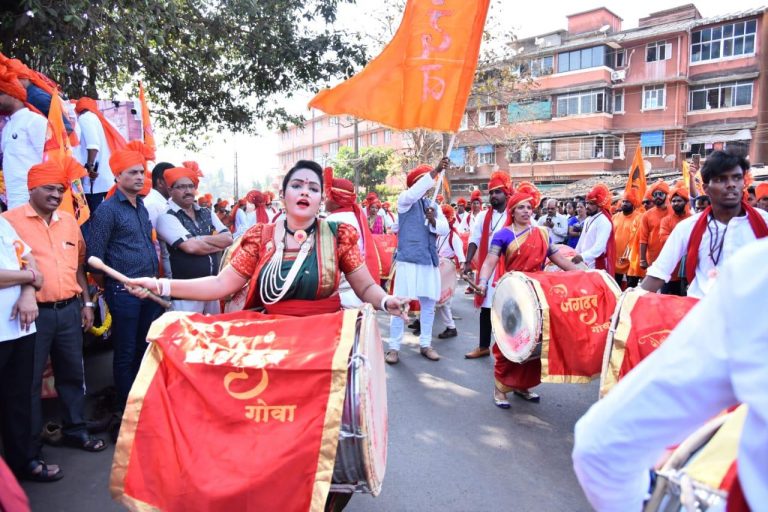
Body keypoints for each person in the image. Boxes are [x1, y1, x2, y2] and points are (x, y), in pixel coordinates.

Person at [573, 238, 768, 511]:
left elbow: (601, 444)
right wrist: (632, 303)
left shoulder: (757, 272)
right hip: (693, 319)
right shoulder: (751, 269)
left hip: (709, 329)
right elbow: (658, 269)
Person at [4, 157, 108, 462]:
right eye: (49, 188)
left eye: (60, 190)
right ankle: (30, 450)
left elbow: (78, 267)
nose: (56, 195)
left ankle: (76, 430)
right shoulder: (10, 222)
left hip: (69, 311)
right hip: (30, 315)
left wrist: (86, 303)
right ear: (32, 189)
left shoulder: (68, 222)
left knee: (72, 374)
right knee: (28, 383)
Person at [476, 184, 580, 407]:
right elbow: (490, 261)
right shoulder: (503, 235)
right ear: (512, 211)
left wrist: (584, 275)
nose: (526, 211)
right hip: (513, 295)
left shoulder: (542, 233)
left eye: (529, 207)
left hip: (537, 296)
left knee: (534, 343)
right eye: (521, 207)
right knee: (510, 342)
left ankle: (522, 385)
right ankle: (500, 388)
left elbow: (560, 260)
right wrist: (482, 282)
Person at [86, 142, 163, 413]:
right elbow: (94, 258)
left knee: (144, 348)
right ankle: (125, 409)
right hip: (124, 292)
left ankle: (142, 405)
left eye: (142, 172)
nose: (140, 177)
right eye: (133, 173)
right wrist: (113, 287)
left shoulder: (141, 206)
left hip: (149, 289)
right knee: (126, 351)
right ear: (117, 176)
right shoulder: (107, 210)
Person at [641, 150, 768, 298]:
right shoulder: (688, 227)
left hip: (752, 309)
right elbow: (658, 273)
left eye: (737, 177)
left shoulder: (764, 221)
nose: (731, 184)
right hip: (703, 306)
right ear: (706, 188)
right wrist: (629, 302)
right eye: (721, 179)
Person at [0, 214, 63, 482]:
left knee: (19, 399)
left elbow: (30, 259)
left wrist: (28, 292)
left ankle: (23, 462)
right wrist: (30, 277)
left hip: (20, 327)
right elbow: (33, 272)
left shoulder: (3, 223)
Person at [384, 160, 450, 364]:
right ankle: (394, 347)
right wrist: (436, 171)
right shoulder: (405, 201)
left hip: (428, 261)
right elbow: (414, 193)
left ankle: (425, 344)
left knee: (428, 305)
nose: (428, 186)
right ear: (415, 184)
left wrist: (433, 220)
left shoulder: (434, 206)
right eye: (424, 182)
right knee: (399, 304)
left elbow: (445, 229)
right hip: (408, 261)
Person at [156, 163, 233, 314]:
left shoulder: (206, 212)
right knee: (186, 329)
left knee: (212, 328)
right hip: (184, 294)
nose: (188, 191)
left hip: (213, 288)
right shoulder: (166, 217)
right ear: (170, 190)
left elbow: (228, 239)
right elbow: (191, 247)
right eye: (181, 187)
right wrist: (215, 243)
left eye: (191, 186)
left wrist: (198, 238)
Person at [463, 172, 513, 359]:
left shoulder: (514, 213)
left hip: (508, 269)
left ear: (506, 193)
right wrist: (467, 262)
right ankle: (484, 346)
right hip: (488, 269)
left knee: (507, 308)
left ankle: (510, 349)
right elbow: (474, 239)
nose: (493, 196)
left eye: (497, 192)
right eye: (491, 192)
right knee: (486, 307)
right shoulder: (484, 216)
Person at [324, 170, 380, 308]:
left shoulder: (332, 221)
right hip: (359, 289)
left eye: (327, 197)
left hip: (343, 293)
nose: (325, 200)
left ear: (336, 199)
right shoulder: (355, 215)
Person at [0, 72, 47, 210]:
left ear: (14, 94)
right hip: (13, 201)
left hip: (33, 201)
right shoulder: (7, 126)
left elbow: (48, 160)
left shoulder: (34, 121)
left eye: (1, 94)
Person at [75, 97, 127, 215]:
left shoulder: (85, 118)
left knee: (95, 219)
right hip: (108, 180)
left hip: (94, 181)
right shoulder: (105, 121)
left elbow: (93, 145)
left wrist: (90, 167)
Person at [435, 204, 465, 339]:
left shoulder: (454, 237)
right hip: (438, 268)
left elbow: (461, 257)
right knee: (433, 298)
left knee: (444, 301)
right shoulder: (439, 235)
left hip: (447, 270)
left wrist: (463, 268)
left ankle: (451, 328)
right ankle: (420, 321)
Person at [657, 183, 692, 296]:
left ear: (685, 202)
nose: (676, 203)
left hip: (686, 267)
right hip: (670, 265)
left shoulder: (692, 219)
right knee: (665, 298)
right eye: (673, 201)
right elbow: (663, 238)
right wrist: (684, 241)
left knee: (683, 299)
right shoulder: (666, 220)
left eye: (679, 201)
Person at [573, 184, 615, 275]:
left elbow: (600, 247)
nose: (587, 206)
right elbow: (581, 241)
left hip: (596, 264)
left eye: (591, 204)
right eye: (587, 203)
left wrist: (582, 256)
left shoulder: (604, 221)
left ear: (599, 205)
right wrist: (574, 253)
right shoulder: (588, 219)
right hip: (584, 263)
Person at [612, 191, 643, 287]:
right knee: (615, 286)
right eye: (623, 201)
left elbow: (638, 237)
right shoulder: (615, 217)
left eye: (628, 202)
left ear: (633, 204)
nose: (624, 204)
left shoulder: (639, 217)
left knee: (631, 287)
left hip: (631, 259)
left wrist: (628, 253)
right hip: (615, 258)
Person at [638, 180, 669, 272]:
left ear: (666, 195)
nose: (657, 197)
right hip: (653, 257)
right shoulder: (647, 215)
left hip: (672, 256)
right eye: (655, 195)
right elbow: (643, 239)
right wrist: (642, 259)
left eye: (660, 194)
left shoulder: (674, 211)